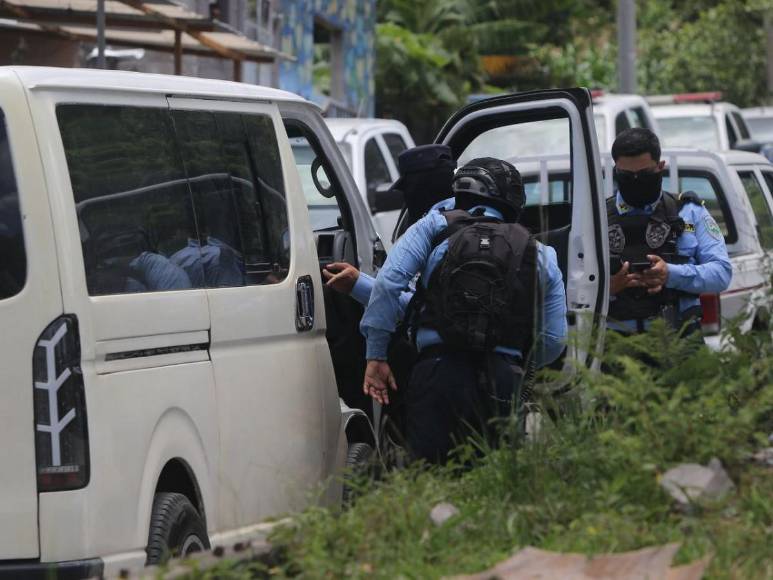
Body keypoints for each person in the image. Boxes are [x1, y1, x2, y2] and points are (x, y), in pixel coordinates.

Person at [357, 158, 567, 464]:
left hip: (437, 373)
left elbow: (388, 285)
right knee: (493, 479)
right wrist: (520, 363)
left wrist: (376, 355)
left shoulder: (434, 226)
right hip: (503, 379)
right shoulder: (541, 253)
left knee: (432, 475)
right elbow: (553, 339)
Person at [607, 128, 732, 336]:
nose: (636, 180)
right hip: (615, 346)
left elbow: (721, 273)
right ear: (616, 171)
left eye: (644, 174)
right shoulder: (597, 219)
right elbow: (569, 285)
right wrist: (606, 287)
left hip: (680, 339)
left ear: (660, 167)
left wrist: (670, 274)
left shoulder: (689, 212)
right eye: (627, 176)